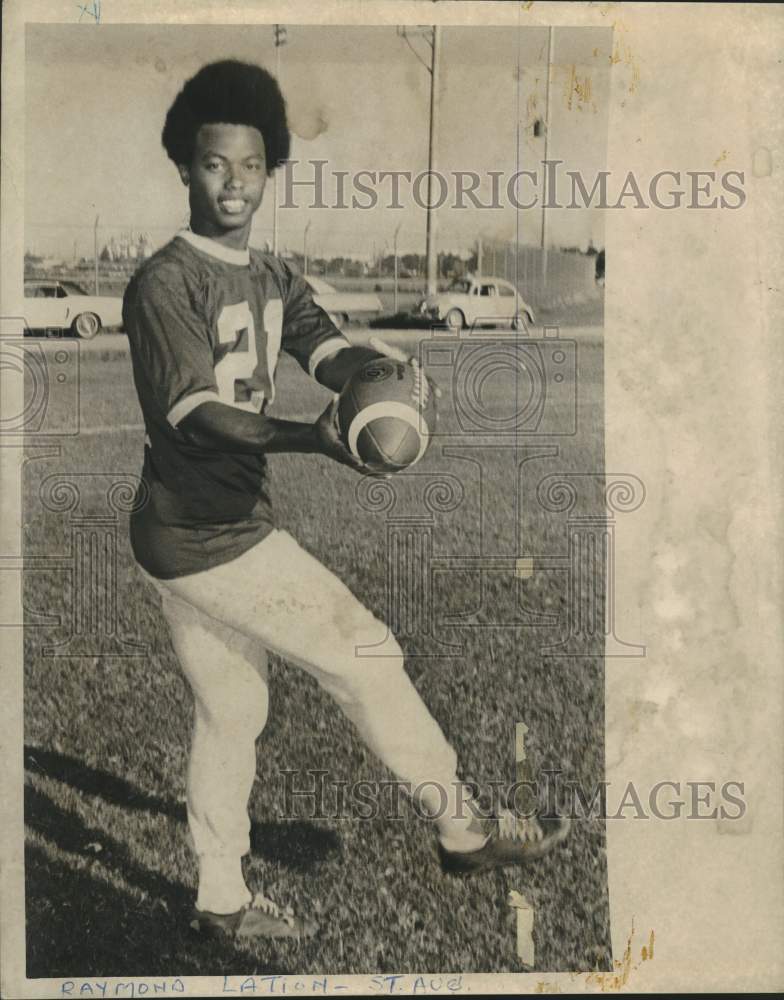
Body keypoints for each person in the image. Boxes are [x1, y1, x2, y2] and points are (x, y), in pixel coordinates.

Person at [123, 60, 569, 942]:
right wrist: (312, 439)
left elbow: (326, 351)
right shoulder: (164, 283)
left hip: (200, 534)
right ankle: (462, 828)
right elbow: (200, 415)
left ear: (268, 172)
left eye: (251, 167)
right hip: (204, 537)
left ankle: (220, 899)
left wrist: (379, 375)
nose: (235, 184)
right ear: (184, 167)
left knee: (233, 709)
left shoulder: (274, 277)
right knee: (364, 651)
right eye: (216, 165)